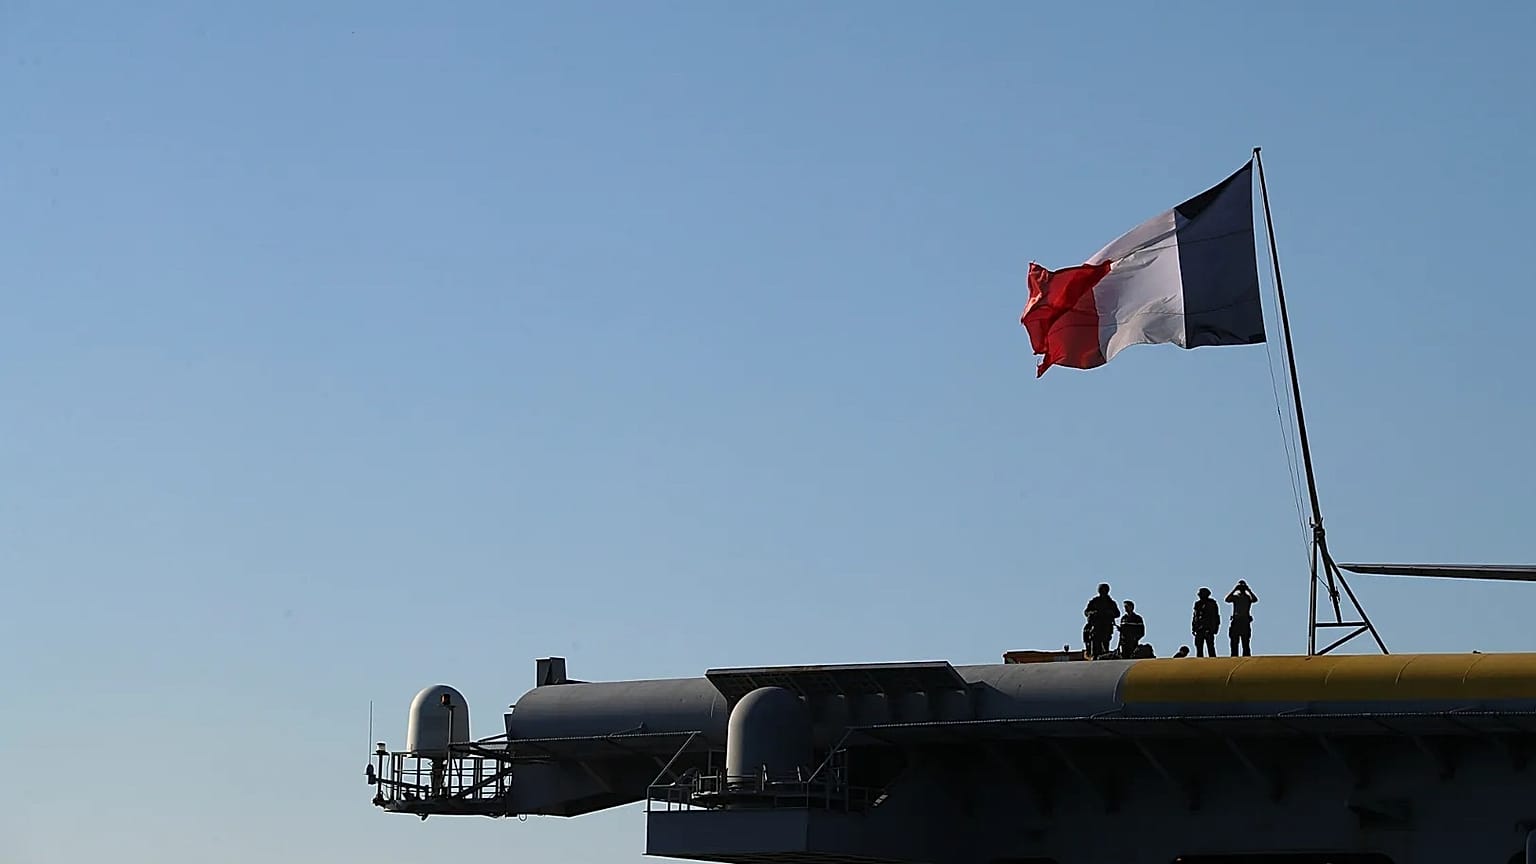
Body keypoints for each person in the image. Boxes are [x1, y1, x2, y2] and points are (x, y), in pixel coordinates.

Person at [1083, 583, 1118, 658]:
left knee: (1105, 647)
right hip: (1096, 627)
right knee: (1095, 647)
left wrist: (1109, 613)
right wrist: (1093, 613)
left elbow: (1117, 613)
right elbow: (1086, 612)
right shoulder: (1095, 601)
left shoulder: (1110, 603)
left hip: (1106, 627)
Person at [1225, 580, 1259, 656]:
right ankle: (1234, 657)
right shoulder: (1236, 597)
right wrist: (1234, 589)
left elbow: (1255, 599)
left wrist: (1248, 590)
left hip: (1244, 621)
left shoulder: (1248, 597)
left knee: (1245, 642)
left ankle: (1246, 657)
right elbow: (1227, 599)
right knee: (1234, 642)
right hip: (1236, 620)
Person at [1191, 587, 1220, 657]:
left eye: (1200, 594)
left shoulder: (1212, 603)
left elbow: (1215, 617)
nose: (1199, 595)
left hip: (1208, 629)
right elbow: (1195, 616)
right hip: (1199, 629)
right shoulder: (1197, 604)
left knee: (1210, 647)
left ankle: (1213, 663)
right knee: (1199, 648)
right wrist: (1193, 627)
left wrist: (1214, 629)